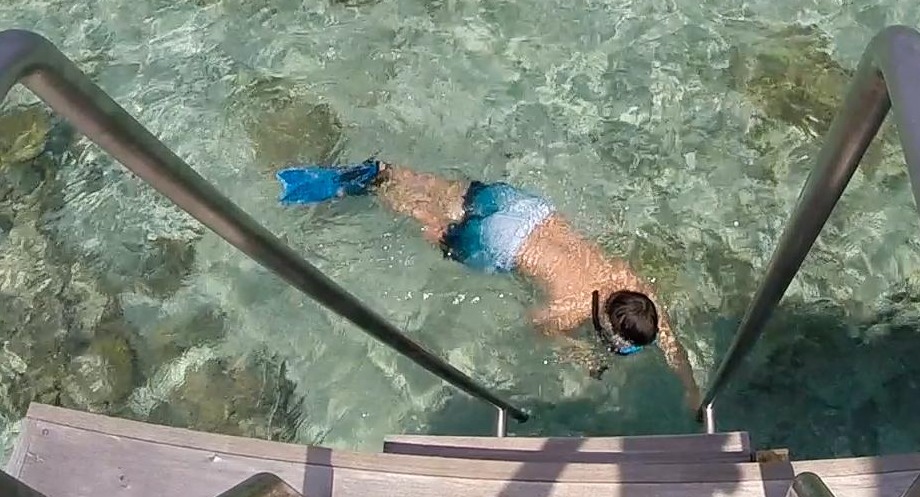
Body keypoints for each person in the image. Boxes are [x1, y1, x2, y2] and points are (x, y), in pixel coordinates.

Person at [277, 160, 702, 409]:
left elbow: (664, 330)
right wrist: (578, 354)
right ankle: (372, 185)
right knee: (434, 226)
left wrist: (690, 386)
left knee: (443, 192)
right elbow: (537, 323)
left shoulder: (625, 278)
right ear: (608, 327)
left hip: (528, 210)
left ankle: (385, 170)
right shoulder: (572, 308)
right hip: (502, 243)